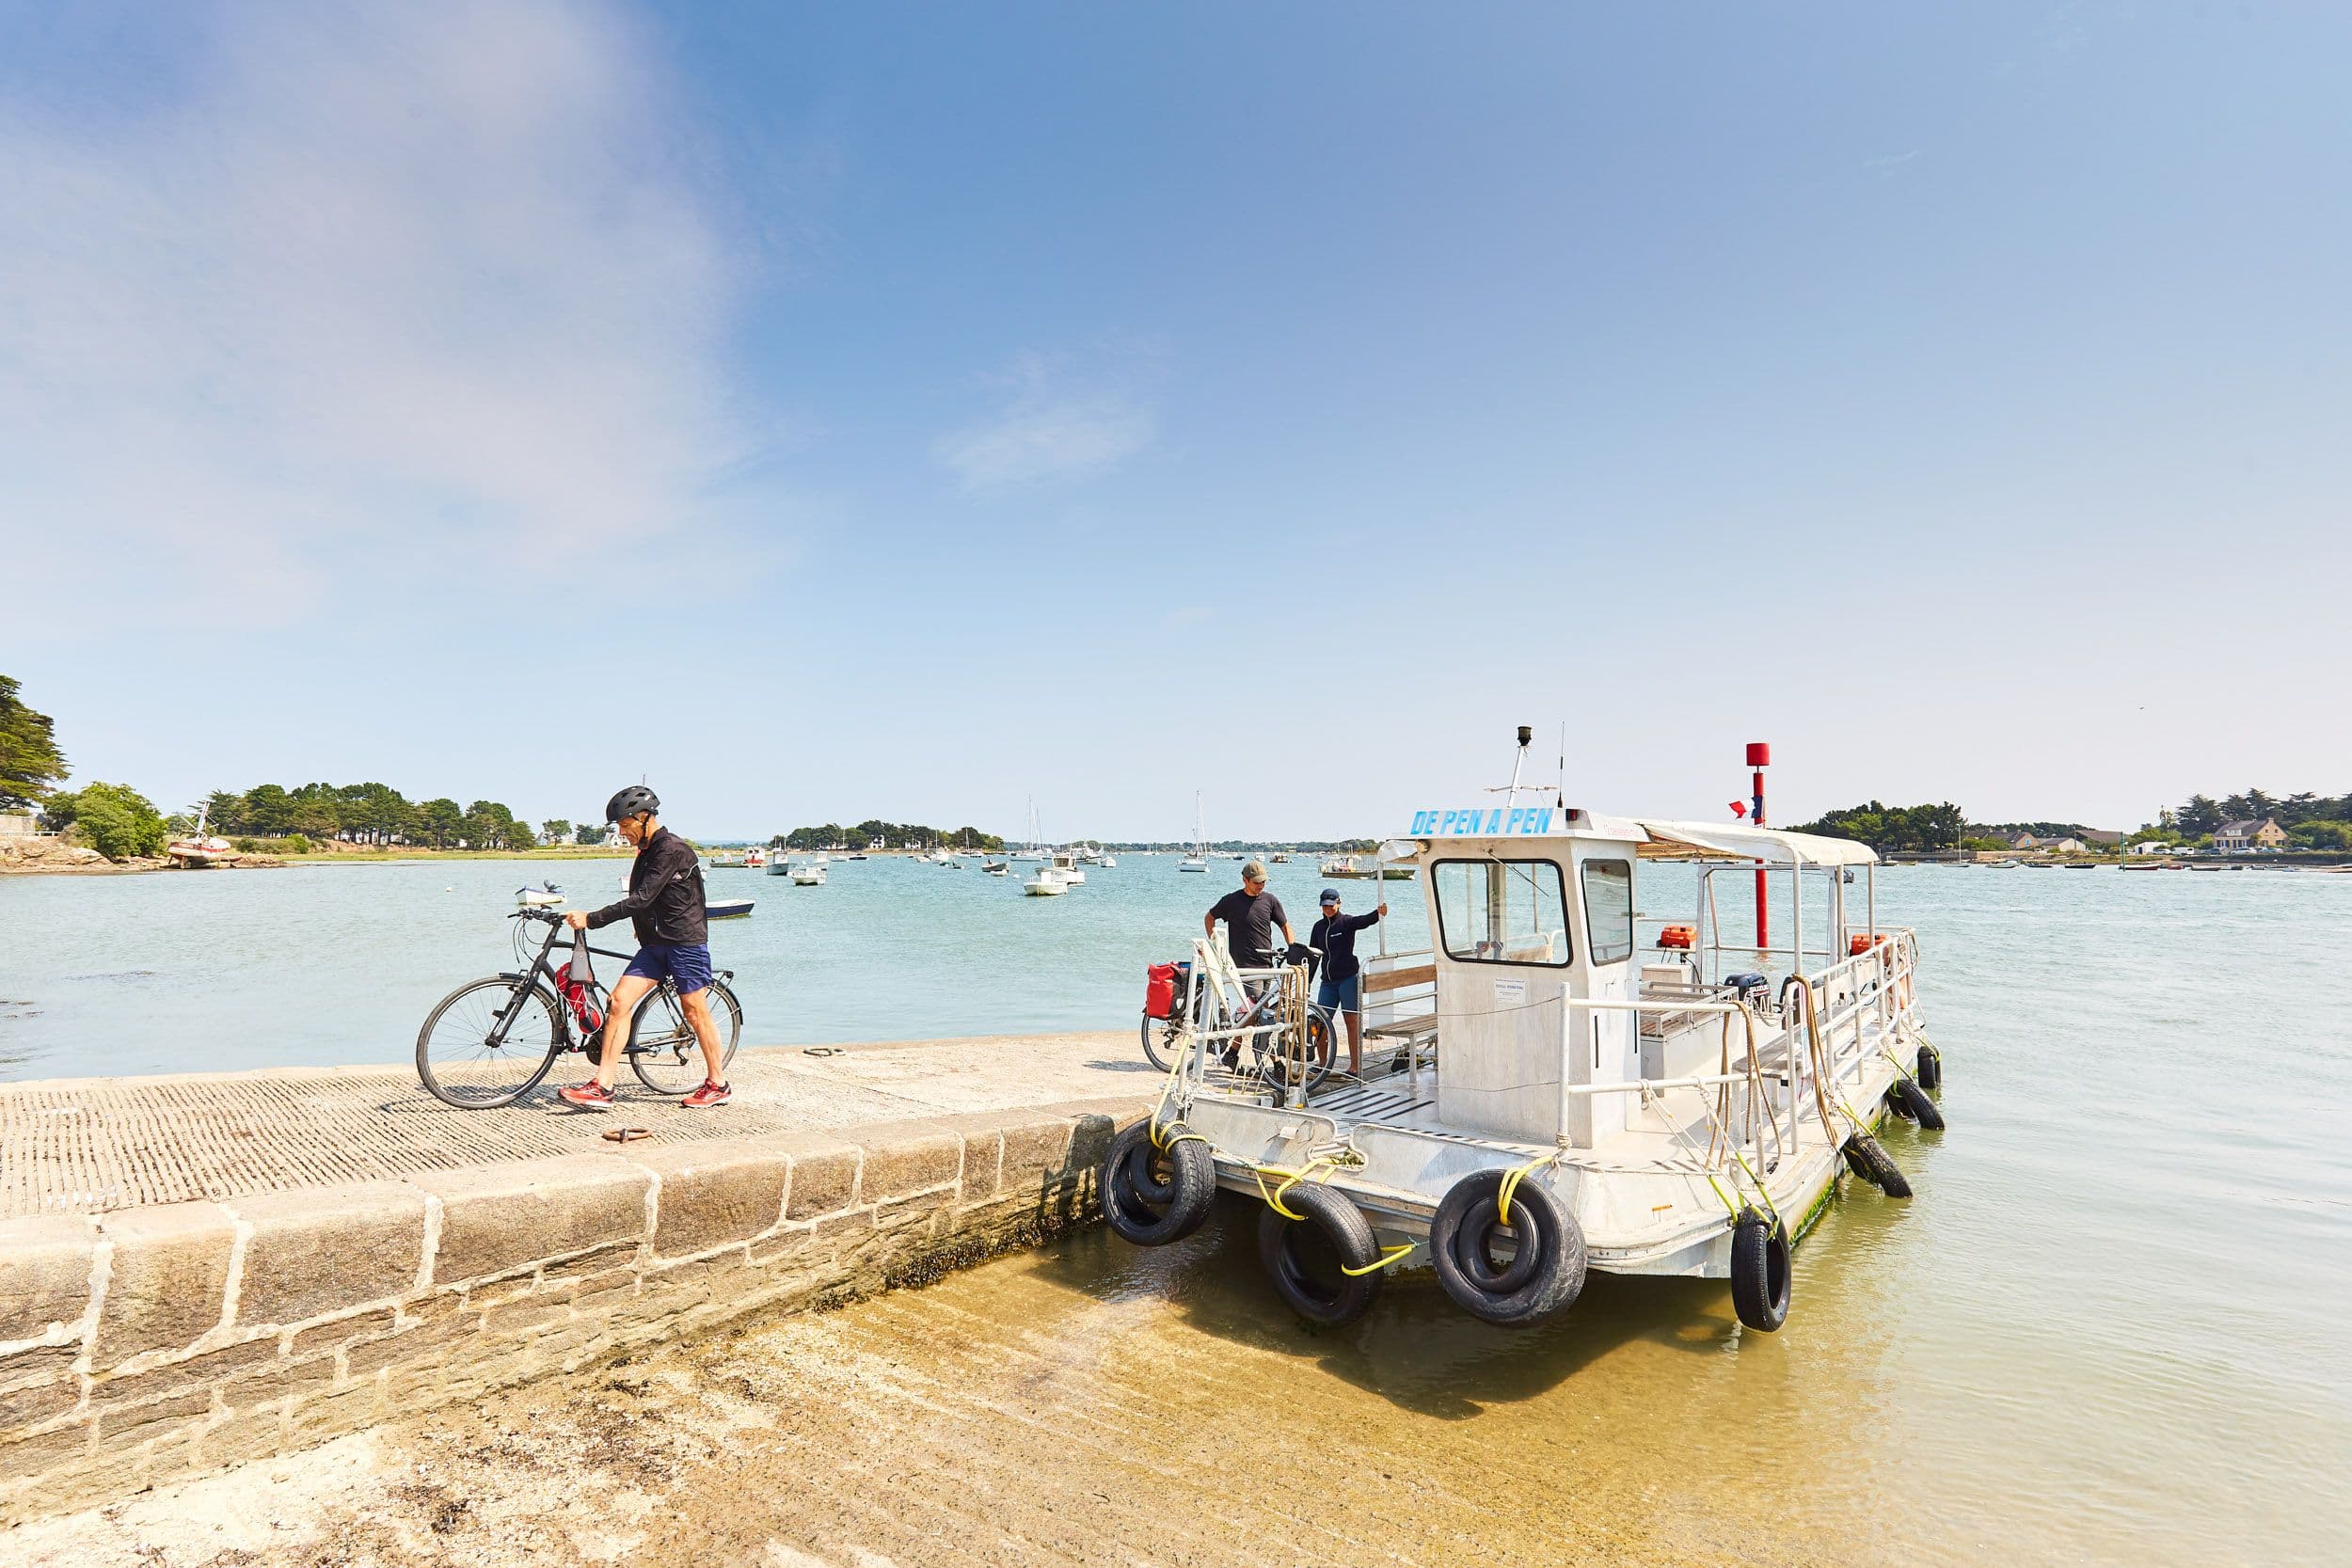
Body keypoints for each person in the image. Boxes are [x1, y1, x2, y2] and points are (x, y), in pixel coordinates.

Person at [556, 785, 730, 1111]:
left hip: (684, 943)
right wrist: (643, 930)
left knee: (694, 1011)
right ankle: (603, 1086)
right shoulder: (647, 851)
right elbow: (649, 899)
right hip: (655, 944)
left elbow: (641, 898)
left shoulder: (671, 849)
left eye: (625, 825)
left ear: (644, 817)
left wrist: (591, 919)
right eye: (620, 827)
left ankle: (718, 1084)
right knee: (618, 1002)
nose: (622, 832)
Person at [1203, 861, 1295, 1068]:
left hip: (1267, 965)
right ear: (1245, 880)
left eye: (1263, 882)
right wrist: (1215, 945)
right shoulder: (1231, 901)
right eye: (1256, 882)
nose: (1261, 885)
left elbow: (1285, 926)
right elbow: (1209, 918)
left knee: (1260, 1011)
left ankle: (1232, 1052)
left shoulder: (1270, 901)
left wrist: (1293, 948)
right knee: (1258, 1011)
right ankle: (1275, 1062)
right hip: (1243, 966)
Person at [1310, 888, 1388, 1075]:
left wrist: (1379, 913)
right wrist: (1308, 980)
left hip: (1347, 979)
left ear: (1338, 903)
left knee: (1351, 1021)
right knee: (1320, 1022)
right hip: (1328, 983)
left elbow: (1364, 921)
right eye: (1324, 906)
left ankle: (1354, 1066)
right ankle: (1323, 1064)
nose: (1328, 908)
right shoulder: (1318, 927)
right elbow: (1314, 955)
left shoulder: (1346, 923)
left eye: (1331, 905)